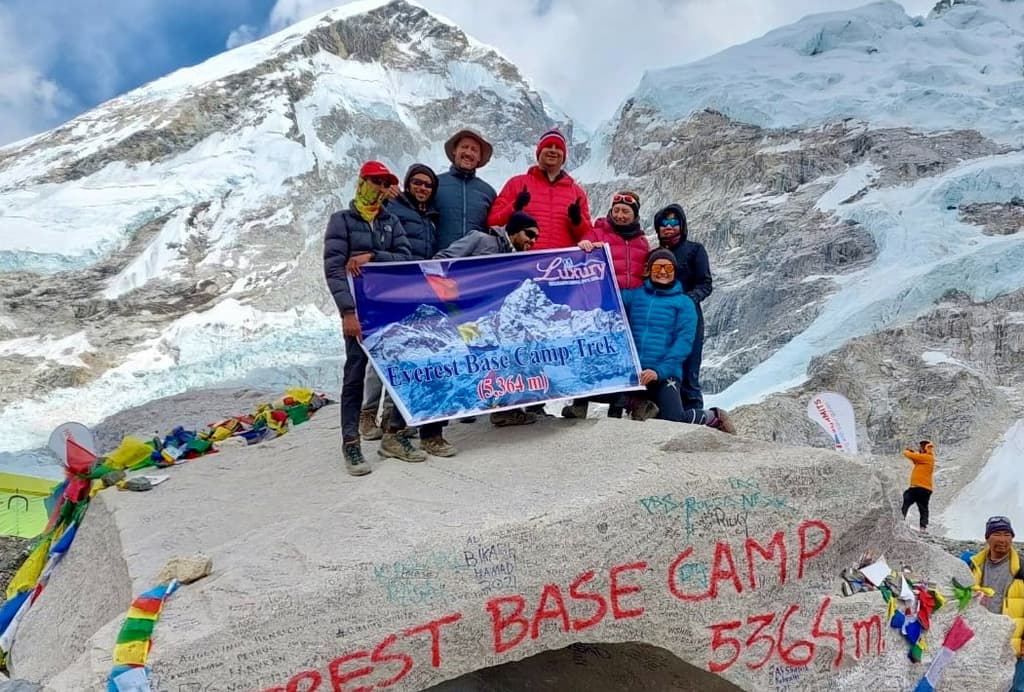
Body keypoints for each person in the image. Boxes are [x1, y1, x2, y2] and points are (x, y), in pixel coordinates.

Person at [324, 160, 424, 476]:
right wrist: (347, 312)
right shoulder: (341, 221)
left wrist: (373, 257)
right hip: (359, 314)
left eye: (385, 184)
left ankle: (393, 436)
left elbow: (407, 258)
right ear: (362, 182)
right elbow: (334, 269)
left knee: (398, 370)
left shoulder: (390, 222)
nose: (380, 189)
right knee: (354, 375)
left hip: (388, 311)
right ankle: (351, 444)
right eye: (375, 182)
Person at [356, 163, 458, 459]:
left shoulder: (431, 219)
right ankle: (392, 430)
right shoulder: (392, 209)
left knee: (425, 358)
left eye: (428, 185)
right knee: (399, 357)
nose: (423, 188)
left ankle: (403, 428)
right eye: (417, 182)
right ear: (407, 184)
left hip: (424, 292)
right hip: (396, 291)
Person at [435, 211, 541, 427]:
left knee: (503, 359)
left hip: (490, 319)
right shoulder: (480, 239)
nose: (532, 240)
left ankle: (504, 411)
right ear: (513, 230)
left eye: (536, 237)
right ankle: (437, 421)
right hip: (463, 315)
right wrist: (456, 290)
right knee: (463, 361)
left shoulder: (518, 259)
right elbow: (440, 261)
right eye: (529, 234)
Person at [620, 249, 734, 433]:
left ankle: (714, 417)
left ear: (674, 271)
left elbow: (683, 343)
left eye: (668, 267)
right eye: (658, 266)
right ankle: (638, 404)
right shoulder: (635, 296)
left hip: (665, 374)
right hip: (634, 371)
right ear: (649, 270)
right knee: (596, 390)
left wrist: (659, 371)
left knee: (674, 418)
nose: (663, 271)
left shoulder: (684, 303)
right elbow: (607, 296)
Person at [563, 190, 650, 420]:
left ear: (635, 215)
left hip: (632, 304)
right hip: (603, 303)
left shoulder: (642, 241)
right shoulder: (598, 231)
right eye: (617, 210)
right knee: (594, 350)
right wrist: (583, 244)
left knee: (624, 355)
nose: (621, 215)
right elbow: (583, 248)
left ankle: (618, 407)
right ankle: (580, 403)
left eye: (626, 211)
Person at [487, 129, 593, 250]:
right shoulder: (516, 184)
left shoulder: (577, 193)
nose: (553, 150)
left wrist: (577, 221)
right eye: (548, 146)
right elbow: (493, 223)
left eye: (558, 148)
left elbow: (589, 235)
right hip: (523, 262)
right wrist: (514, 207)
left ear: (564, 156)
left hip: (562, 264)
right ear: (538, 152)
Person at [654, 204, 713, 410]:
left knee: (689, 371)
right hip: (660, 321)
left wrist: (688, 300)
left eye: (673, 222)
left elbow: (705, 284)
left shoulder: (695, 250)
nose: (668, 227)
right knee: (662, 369)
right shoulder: (655, 255)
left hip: (689, 319)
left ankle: (695, 419)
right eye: (663, 223)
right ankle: (669, 415)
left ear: (682, 225)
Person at [970, 516, 1024, 690]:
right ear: (987, 537)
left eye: (1007, 534)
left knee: (1015, 687)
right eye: (997, 534)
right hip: (981, 638)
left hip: (1015, 642)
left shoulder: (1021, 569)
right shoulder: (973, 566)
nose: (1002, 539)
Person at [435, 128, 497, 251]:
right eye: (464, 147)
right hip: (438, 261)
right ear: (454, 151)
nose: (468, 153)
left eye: (474, 150)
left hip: (475, 264)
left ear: (479, 157)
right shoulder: (434, 184)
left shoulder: (488, 192)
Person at [900, 440, 935, 532]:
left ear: (924, 448)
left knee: (908, 501)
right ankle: (922, 527)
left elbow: (911, 456)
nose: (919, 448)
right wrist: (913, 453)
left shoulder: (928, 457)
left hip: (921, 488)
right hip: (921, 488)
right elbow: (916, 459)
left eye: (920, 447)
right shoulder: (923, 458)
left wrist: (906, 451)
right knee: (922, 508)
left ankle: (902, 521)